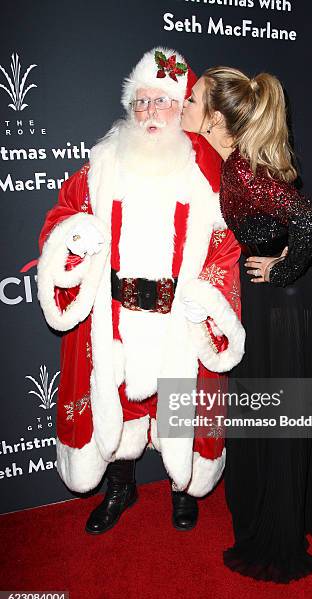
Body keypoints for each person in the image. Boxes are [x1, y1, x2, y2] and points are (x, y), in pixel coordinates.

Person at [181, 66, 312, 582]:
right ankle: (291, 486)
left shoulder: (244, 170)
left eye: (194, 99)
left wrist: (282, 267)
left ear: (215, 119)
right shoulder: (232, 164)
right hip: (272, 300)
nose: (185, 103)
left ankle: (282, 522)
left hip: (288, 302)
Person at [36, 48, 245, 535]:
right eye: (142, 102)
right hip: (116, 317)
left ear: (181, 109)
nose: (151, 113)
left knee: (179, 405)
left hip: (177, 320)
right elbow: (61, 218)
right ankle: (121, 486)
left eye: (164, 102)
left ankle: (180, 486)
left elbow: (225, 247)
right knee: (117, 402)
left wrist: (205, 296)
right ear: (131, 107)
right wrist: (74, 236)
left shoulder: (208, 173)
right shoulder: (102, 164)